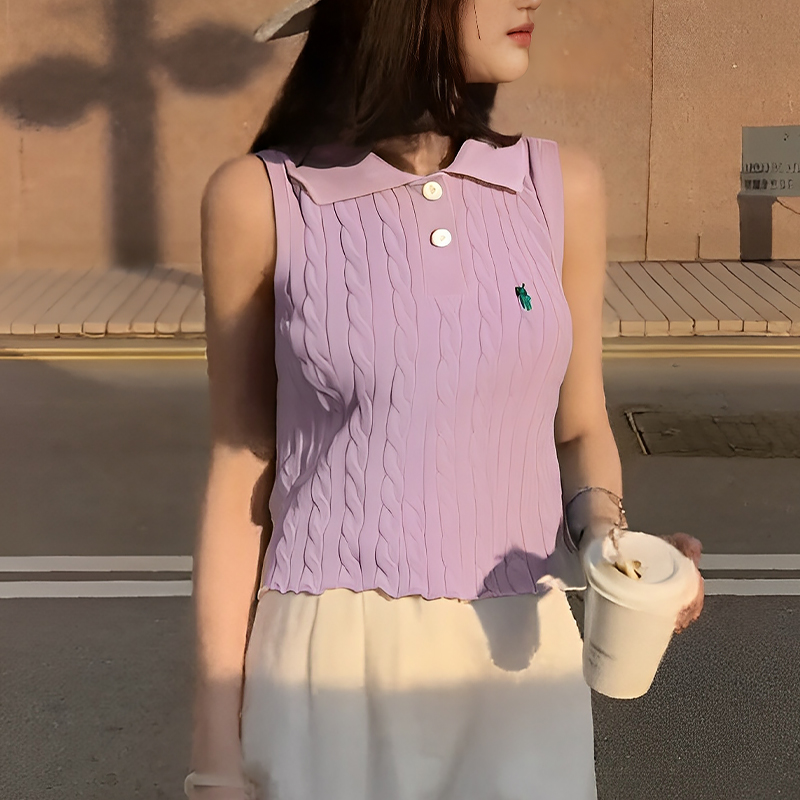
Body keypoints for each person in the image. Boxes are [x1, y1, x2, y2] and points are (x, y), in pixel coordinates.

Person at [184, 0, 706, 797]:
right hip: (331, 672)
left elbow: (579, 428)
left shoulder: (560, 187)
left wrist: (613, 546)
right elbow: (239, 475)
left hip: (523, 665)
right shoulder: (261, 198)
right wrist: (214, 751)